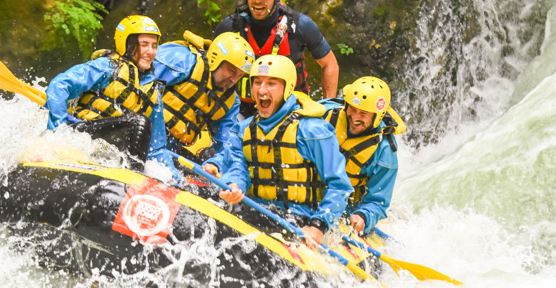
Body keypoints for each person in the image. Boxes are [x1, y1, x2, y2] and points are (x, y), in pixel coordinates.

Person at [209, 55, 352, 249]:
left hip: (300, 219)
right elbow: (236, 167)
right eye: (257, 82)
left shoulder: (313, 131)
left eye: (271, 84)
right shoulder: (242, 130)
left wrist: (318, 226)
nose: (261, 90)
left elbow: (339, 186)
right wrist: (233, 185)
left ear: (288, 88)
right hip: (255, 209)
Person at [44, 13, 170, 170]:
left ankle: (134, 182)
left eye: (154, 45)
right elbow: (59, 85)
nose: (150, 52)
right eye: (144, 44)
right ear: (128, 44)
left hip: (110, 152)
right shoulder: (107, 67)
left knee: (142, 126)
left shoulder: (154, 92)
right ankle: (131, 179)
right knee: (138, 122)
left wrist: (175, 181)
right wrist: (59, 130)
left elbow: (157, 148)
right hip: (82, 134)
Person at [214, 0, 340, 117]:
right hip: (242, 111)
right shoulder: (230, 27)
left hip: (291, 109)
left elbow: (330, 65)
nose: (257, 0)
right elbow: (211, 67)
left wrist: (328, 110)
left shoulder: (301, 26)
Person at [150, 31, 255, 163]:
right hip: (140, 129)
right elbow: (138, 81)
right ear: (214, 60)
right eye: (232, 71)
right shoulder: (182, 61)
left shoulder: (230, 101)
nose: (234, 80)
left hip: (170, 147)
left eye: (240, 75)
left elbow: (227, 145)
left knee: (195, 178)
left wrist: (215, 163)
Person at [319, 76, 406, 235]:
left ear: (377, 116)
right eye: (352, 108)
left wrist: (363, 216)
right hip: (309, 193)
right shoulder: (324, 113)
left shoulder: (385, 152)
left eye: (363, 113)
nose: (355, 117)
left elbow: (377, 201)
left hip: (347, 207)